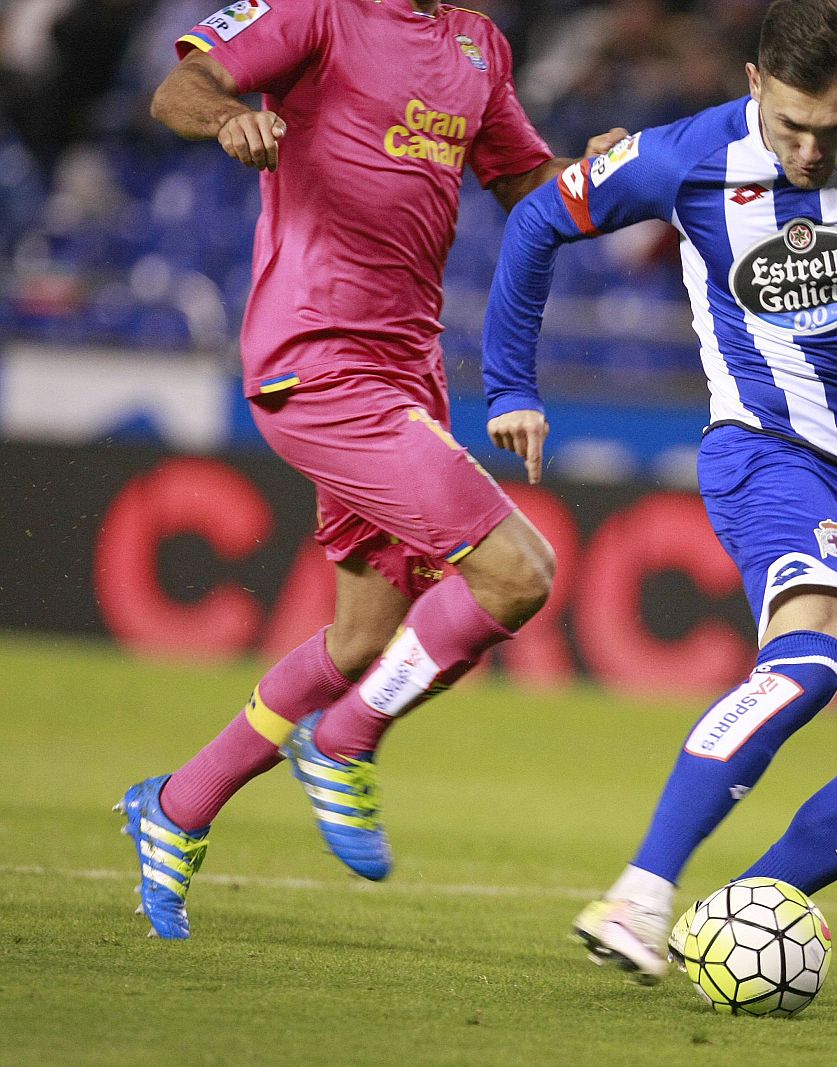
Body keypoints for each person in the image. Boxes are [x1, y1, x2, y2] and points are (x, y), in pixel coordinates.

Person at [482, 0, 837, 983]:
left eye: (833, 127)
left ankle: (730, 914)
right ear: (754, 84)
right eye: (791, 125)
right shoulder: (681, 155)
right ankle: (639, 889)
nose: (809, 148)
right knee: (804, 665)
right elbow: (541, 218)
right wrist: (509, 384)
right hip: (768, 454)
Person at [117, 0, 624, 940]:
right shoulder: (319, 13)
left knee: (360, 639)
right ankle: (348, 739)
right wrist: (229, 116)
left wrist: (605, 176)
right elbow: (176, 87)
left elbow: (526, 182)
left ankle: (178, 804)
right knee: (517, 572)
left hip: (407, 368)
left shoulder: (479, 42)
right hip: (318, 354)